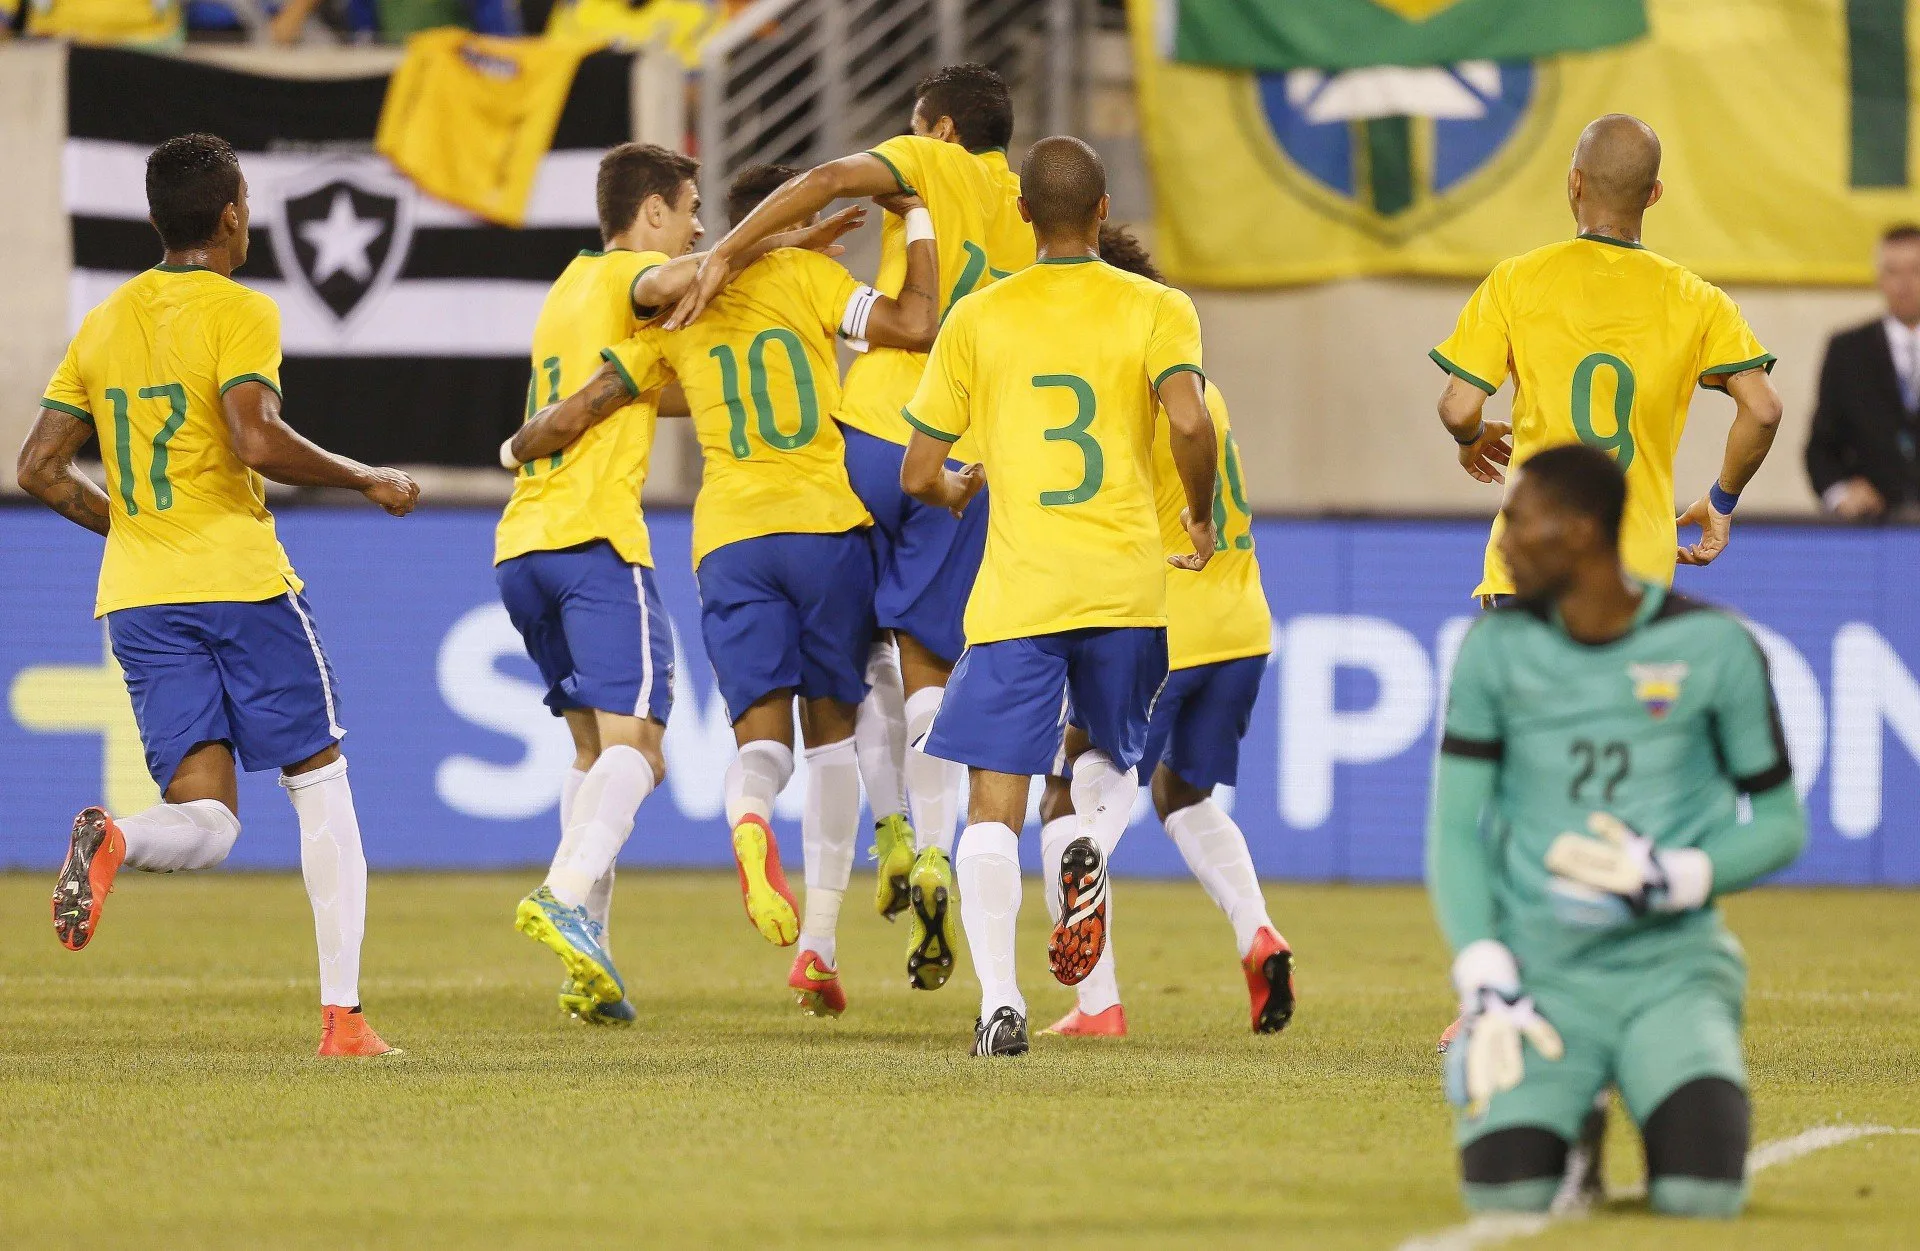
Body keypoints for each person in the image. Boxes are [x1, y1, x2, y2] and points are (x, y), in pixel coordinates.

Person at [17, 133, 421, 1058]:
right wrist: (367, 476)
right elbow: (254, 436)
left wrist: (132, 531)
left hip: (141, 597)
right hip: (238, 581)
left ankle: (115, 835)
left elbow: (39, 466)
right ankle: (343, 1019)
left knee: (210, 818)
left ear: (160, 218)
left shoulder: (105, 320)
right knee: (319, 781)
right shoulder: (238, 311)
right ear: (233, 214)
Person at [512, 162, 940, 1017]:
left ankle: (749, 819)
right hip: (822, 525)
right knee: (836, 729)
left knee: (760, 743)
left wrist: (514, 447)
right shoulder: (814, 277)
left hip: (730, 542)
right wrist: (918, 221)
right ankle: (820, 939)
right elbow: (914, 323)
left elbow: (579, 410)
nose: (701, 233)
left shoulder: (675, 316)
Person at [663, 65, 1036, 989]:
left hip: (861, 441)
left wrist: (728, 251)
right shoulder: (1030, 209)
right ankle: (936, 844)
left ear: (938, 129)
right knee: (928, 670)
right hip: (962, 450)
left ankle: (874, 855)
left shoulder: (924, 165)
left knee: (854, 672)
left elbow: (830, 178)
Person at [900, 136, 1218, 1057]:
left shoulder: (978, 316)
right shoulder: (1159, 305)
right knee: (1095, 767)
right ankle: (1089, 848)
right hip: (1123, 585)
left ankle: (1000, 1004)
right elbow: (1190, 418)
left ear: (1026, 217)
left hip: (1021, 595)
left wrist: (955, 485)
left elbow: (922, 467)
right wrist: (1196, 516)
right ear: (1106, 209)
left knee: (992, 801)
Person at [1428, 444, 1806, 1219]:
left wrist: (1676, 874)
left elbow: (1780, 823)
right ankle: (1570, 1112)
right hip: (1543, 973)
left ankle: (1649, 1075)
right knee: (1507, 1192)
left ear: (1582, 530)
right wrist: (1482, 966)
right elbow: (1454, 828)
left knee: (1702, 1194)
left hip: (1672, 968)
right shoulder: (1492, 648)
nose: (1499, 543)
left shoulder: (1717, 648)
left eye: (1518, 521)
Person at [1036, 227, 1292, 1040]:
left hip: (1159, 623)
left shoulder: (1123, 387)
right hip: (1243, 623)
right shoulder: (1198, 387)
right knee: (1181, 791)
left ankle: (1097, 1001)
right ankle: (1258, 929)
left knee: (1066, 791)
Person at [1430, 113, 1786, 607]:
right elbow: (1764, 410)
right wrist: (1721, 500)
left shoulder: (1516, 281)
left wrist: (1470, 439)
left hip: (1532, 566)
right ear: (1654, 194)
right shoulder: (1698, 299)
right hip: (1633, 578)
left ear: (1574, 182)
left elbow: (1458, 405)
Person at [1804, 223, 1920, 521]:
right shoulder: (1847, 351)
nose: (1904, 284)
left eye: (1915, 270)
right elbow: (1821, 447)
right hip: (1873, 532)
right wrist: (1841, 493)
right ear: (1880, 278)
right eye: (1893, 272)